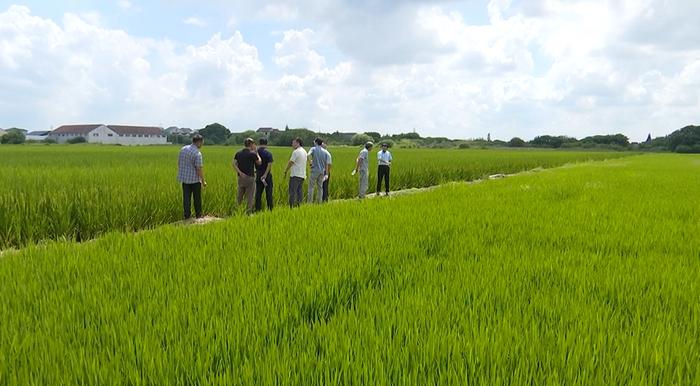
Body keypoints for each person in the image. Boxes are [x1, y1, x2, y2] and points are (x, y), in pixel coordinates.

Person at [177, 134, 206, 219]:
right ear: (199, 142)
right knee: (197, 198)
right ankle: (199, 215)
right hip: (194, 180)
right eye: (202, 142)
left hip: (184, 179)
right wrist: (203, 180)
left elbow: (179, 163)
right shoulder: (197, 153)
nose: (202, 144)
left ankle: (187, 216)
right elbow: (199, 168)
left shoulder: (183, 149)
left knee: (186, 198)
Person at [233, 138, 261, 214]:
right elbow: (259, 163)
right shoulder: (252, 154)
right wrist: (256, 152)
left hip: (240, 177)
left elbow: (234, 164)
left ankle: (237, 211)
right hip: (250, 178)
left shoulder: (238, 153)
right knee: (250, 197)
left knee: (239, 196)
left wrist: (240, 172)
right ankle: (248, 213)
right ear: (251, 144)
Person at [283, 137, 307, 207]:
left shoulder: (296, 152)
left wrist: (285, 171)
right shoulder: (304, 151)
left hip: (295, 175)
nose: (292, 145)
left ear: (297, 143)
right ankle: (299, 205)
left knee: (292, 192)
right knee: (299, 191)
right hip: (302, 175)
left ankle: (291, 207)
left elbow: (291, 162)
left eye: (293, 143)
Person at [307, 137, 331, 203]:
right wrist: (326, 173)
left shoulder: (313, 149)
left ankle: (309, 202)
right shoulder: (325, 151)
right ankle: (319, 202)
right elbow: (326, 163)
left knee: (311, 187)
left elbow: (307, 155)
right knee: (320, 187)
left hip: (314, 170)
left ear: (316, 142)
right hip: (322, 172)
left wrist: (310, 163)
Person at [255, 137, 274, 212]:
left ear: (259, 143)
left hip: (259, 174)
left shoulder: (256, 153)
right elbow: (269, 165)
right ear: (266, 144)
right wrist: (265, 175)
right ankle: (270, 209)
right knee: (269, 193)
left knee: (258, 193)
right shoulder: (268, 153)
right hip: (267, 176)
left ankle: (257, 209)